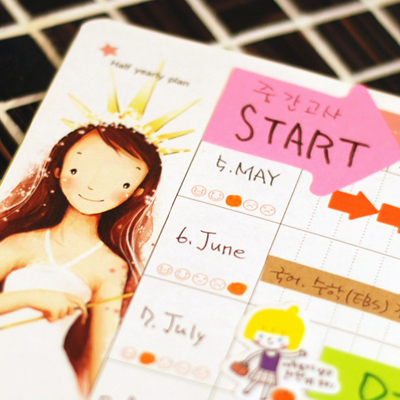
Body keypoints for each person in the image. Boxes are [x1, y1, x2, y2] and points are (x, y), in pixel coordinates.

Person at [0, 123, 162, 399]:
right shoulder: (21, 243)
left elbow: (99, 349)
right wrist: (32, 297)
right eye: (78, 169)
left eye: (121, 182)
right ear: (58, 169)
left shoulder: (111, 267)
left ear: (137, 191)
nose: (92, 185)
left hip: (44, 377)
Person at [231, 306, 306, 400]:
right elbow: (253, 355)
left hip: (271, 373)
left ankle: (263, 396)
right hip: (261, 370)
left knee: (267, 384)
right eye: (261, 336)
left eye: (280, 339)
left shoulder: (279, 354)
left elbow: (288, 355)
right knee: (255, 381)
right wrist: (245, 361)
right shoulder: (263, 351)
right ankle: (247, 390)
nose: (270, 340)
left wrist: (298, 354)